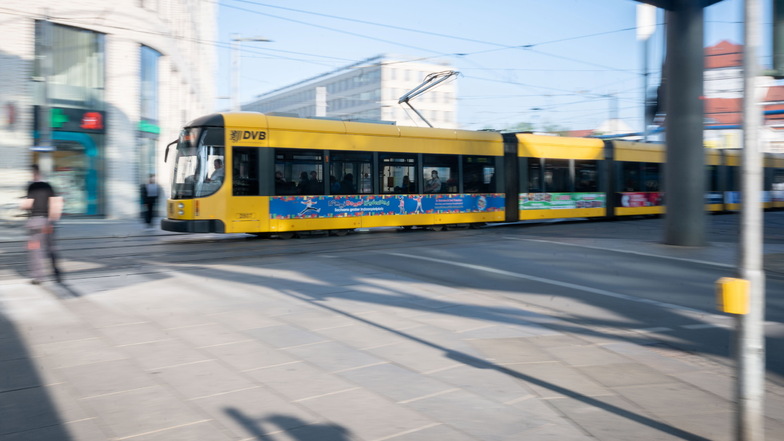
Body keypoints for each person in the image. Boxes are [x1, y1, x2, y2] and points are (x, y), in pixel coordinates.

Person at [20, 164, 63, 284]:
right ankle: (57, 273)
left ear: (34, 173)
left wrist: (22, 204)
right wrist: (52, 221)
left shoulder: (32, 186)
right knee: (51, 248)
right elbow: (55, 204)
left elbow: (27, 205)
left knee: (35, 249)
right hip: (47, 222)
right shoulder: (49, 186)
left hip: (35, 223)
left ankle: (38, 277)